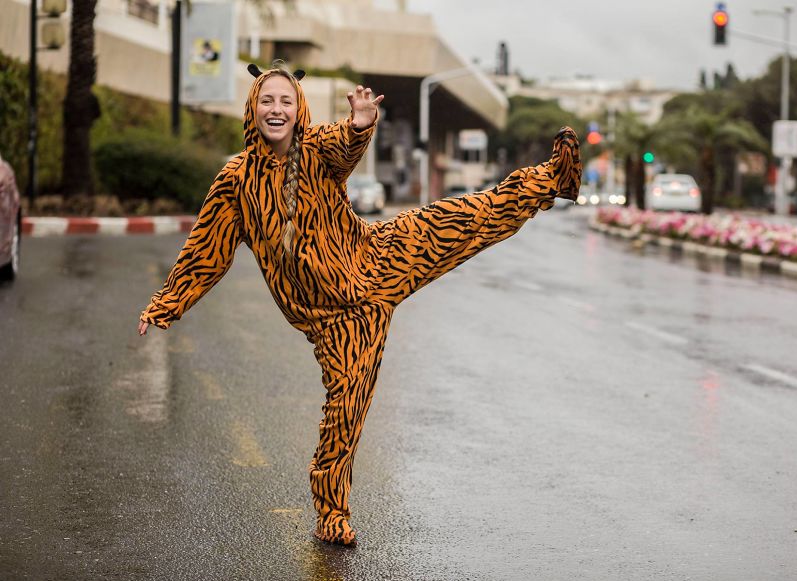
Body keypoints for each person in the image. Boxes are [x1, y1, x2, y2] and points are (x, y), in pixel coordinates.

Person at [138, 62, 582, 547]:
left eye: (286, 101)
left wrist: (361, 124)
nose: (277, 109)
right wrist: (168, 302)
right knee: (345, 409)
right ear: (253, 108)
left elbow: (342, 143)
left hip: (375, 258)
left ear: (298, 108)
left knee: (457, 217)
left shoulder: (314, 150)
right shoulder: (235, 181)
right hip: (339, 320)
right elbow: (207, 249)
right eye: (268, 100)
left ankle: (551, 180)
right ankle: (332, 512)